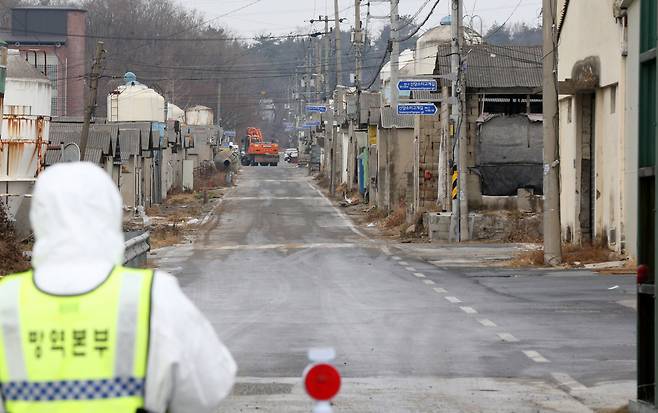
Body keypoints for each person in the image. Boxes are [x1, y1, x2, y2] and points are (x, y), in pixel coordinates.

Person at [0, 162, 237, 413]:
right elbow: (211, 385)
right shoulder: (152, 299)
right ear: (110, 212)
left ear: (39, 217)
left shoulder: (7, 302)